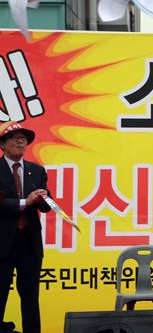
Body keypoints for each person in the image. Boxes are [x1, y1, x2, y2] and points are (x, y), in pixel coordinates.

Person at [0, 122, 51, 333]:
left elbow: (47, 206)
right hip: (2, 243)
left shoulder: (36, 170)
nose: (21, 141)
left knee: (30, 297)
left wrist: (43, 200)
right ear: (2, 144)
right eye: (14, 137)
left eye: (24, 138)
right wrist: (25, 203)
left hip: (29, 243)